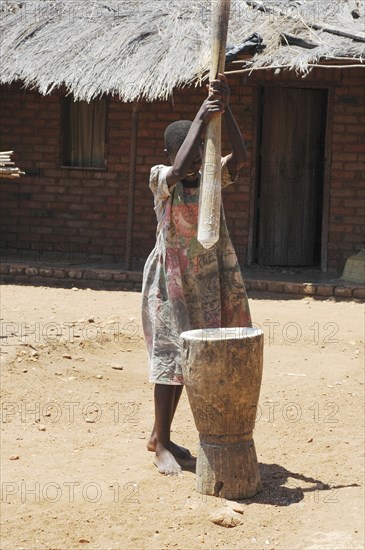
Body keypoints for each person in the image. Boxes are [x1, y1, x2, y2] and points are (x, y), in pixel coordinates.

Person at [142, 74, 252, 476]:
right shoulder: (161, 177)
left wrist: (225, 111)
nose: (191, 164)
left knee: (191, 363)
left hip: (208, 280)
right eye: (181, 154)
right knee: (171, 360)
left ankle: (161, 437)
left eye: (200, 150)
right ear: (169, 153)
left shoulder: (210, 179)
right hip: (170, 283)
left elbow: (240, 158)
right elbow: (180, 168)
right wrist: (201, 117)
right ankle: (161, 446)